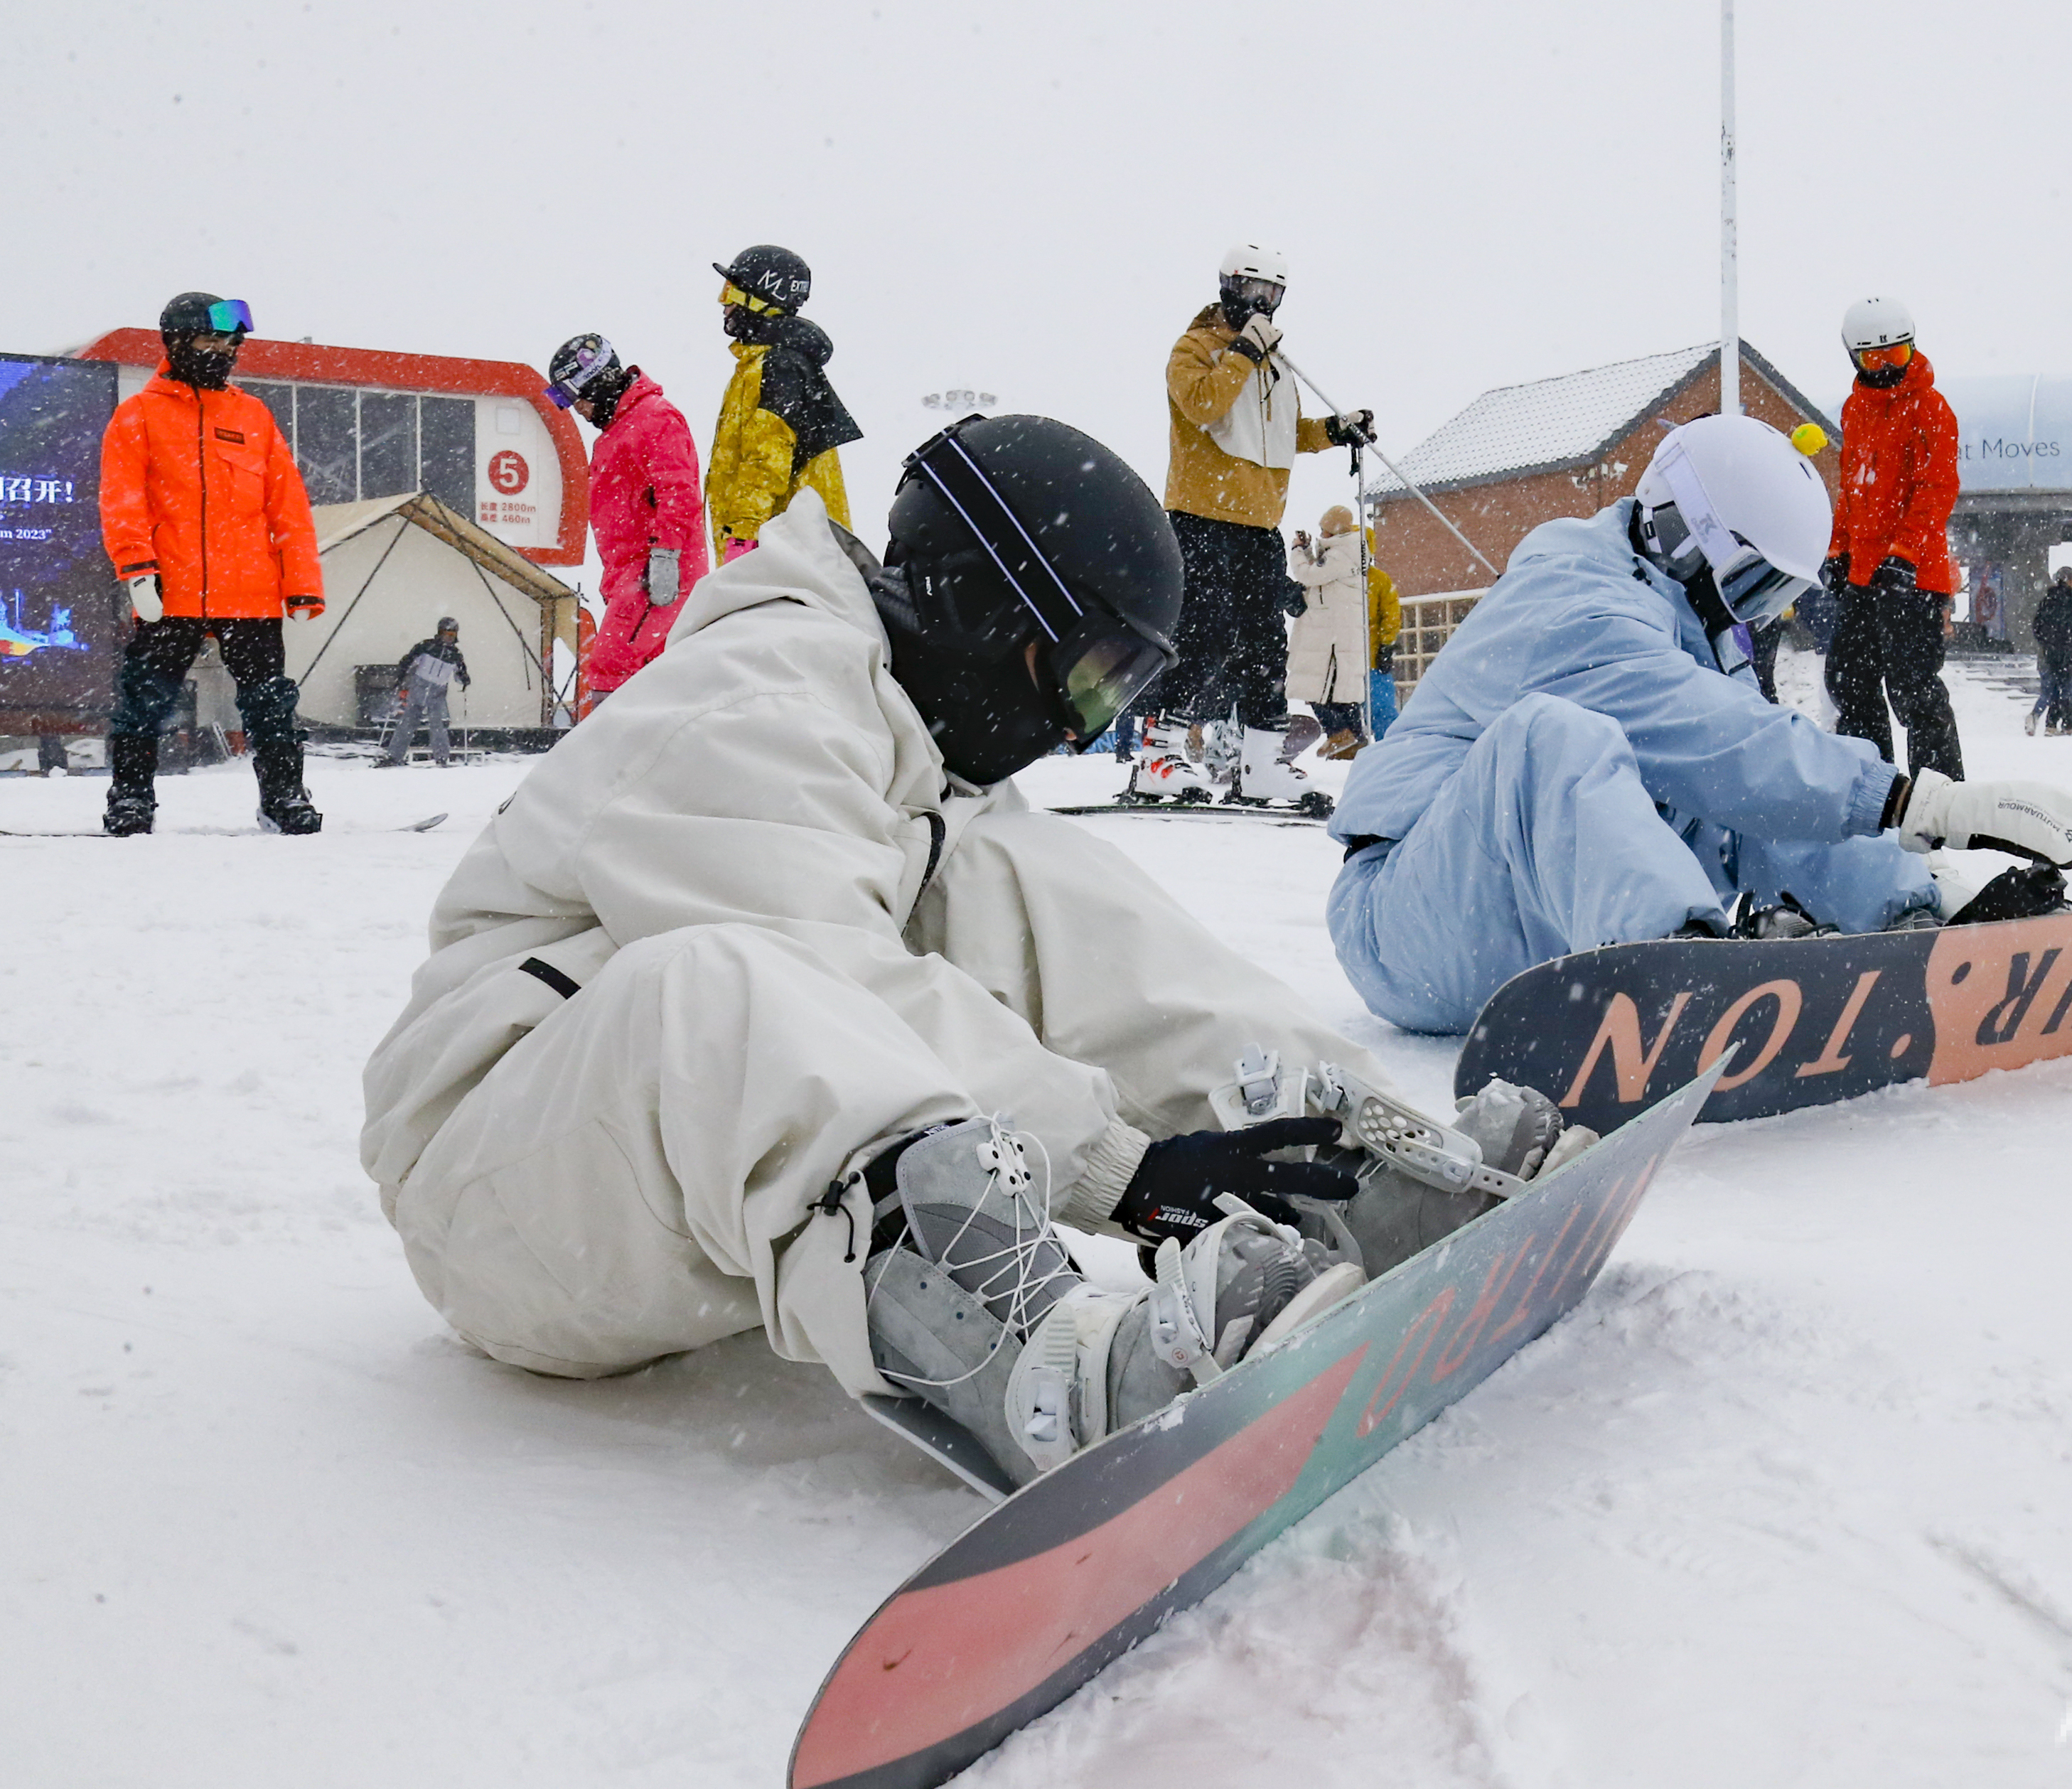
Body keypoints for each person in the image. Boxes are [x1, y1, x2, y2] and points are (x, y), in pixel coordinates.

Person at [362, 416, 1584, 1497]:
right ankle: (1048, 1370)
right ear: (980, 608)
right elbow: (820, 967)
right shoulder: (753, 698)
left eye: (1115, 699)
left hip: (686, 1196)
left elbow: (1009, 953)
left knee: (1020, 872)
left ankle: (1348, 1167)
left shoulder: (907, 735)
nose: (1072, 726)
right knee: (718, 978)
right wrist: (1120, 1166)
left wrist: (1180, 1159)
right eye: (1089, 676)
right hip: (501, 1179)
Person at [1325, 413, 2072, 1036]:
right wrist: (1921, 804)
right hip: (1406, 918)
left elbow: (1751, 771)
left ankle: (1914, 926)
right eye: (1751, 585)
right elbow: (1720, 738)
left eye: (1773, 597)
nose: (1754, 616)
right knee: (1560, 737)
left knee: (1746, 791)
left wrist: (1910, 870)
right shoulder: (1574, 601)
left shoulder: (1684, 623)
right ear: (1685, 537)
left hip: (1522, 911)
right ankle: (1675, 978)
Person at [1126, 245, 1375, 807]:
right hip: (1201, 517)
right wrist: (1240, 351)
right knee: (1201, 636)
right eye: (1255, 292)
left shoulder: (1275, 365)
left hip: (1260, 525)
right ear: (1228, 286)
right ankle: (1157, 756)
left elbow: (1282, 435)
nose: (1264, 305)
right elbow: (1205, 405)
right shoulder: (1195, 349)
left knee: (1264, 645)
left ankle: (1261, 763)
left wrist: (1336, 430)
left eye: (1275, 295)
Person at [97, 292, 325, 837]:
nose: (223, 351)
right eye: (210, 339)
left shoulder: (252, 416)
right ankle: (131, 798)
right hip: (169, 590)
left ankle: (284, 797)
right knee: (144, 701)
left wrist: (302, 585)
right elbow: (122, 499)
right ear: (175, 342)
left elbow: (288, 506)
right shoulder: (139, 416)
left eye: (230, 342)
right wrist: (137, 570)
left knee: (271, 705)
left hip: (249, 592)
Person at [1823, 297, 1965, 780]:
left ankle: (1941, 799)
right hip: (1865, 574)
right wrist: (1838, 548)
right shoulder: (1854, 410)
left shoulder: (1930, 408)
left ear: (1912, 348)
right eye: (1874, 359)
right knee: (1849, 679)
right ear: (1854, 358)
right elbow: (1852, 487)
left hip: (1913, 576)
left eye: (1896, 357)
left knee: (1914, 690)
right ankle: (1872, 786)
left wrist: (1905, 553)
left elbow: (1937, 487)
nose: (1886, 370)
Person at [547, 335, 707, 706]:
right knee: (654, 671)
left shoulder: (654, 418)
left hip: (655, 573)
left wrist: (666, 557)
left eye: (578, 398)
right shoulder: (615, 432)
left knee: (612, 665)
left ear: (599, 382)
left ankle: (612, 753)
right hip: (630, 577)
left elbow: (677, 491)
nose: (580, 411)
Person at [705, 245, 861, 559]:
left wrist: (743, 538)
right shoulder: (759, 364)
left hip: (787, 558)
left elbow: (765, 462)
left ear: (761, 300)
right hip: (783, 553)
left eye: (731, 294)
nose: (724, 305)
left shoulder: (780, 368)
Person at [1289, 505, 1372, 759]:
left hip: (1330, 635)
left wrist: (1296, 551)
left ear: (1334, 530)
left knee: (1315, 687)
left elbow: (1307, 575)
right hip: (1340, 633)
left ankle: (1338, 732)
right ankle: (1356, 737)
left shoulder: (1341, 555)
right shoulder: (1349, 551)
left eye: (1324, 527)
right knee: (1342, 691)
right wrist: (1310, 549)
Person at [377, 618, 471, 766]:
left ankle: (442, 758)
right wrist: (401, 675)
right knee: (408, 722)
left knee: (437, 724)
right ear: (440, 633)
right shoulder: (427, 646)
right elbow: (409, 660)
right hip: (419, 687)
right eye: (446, 634)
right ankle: (394, 756)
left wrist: (465, 679)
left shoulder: (455, 655)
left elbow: (460, 674)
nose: (449, 638)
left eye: (452, 635)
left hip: (438, 692)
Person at [2027, 568, 2072, 735]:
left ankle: (2052, 724)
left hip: (2051, 650)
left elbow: (2037, 626)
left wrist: (2046, 642)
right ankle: (2066, 723)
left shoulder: (2048, 600)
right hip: (2069, 650)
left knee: (2055, 687)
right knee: (2067, 687)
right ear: (2071, 581)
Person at [1366, 552, 1403, 741]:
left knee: (1381, 711)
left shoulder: (1379, 580)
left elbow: (1391, 615)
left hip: (1371, 661)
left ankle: (1390, 749)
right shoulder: (1378, 580)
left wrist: (1386, 645)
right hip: (1356, 660)